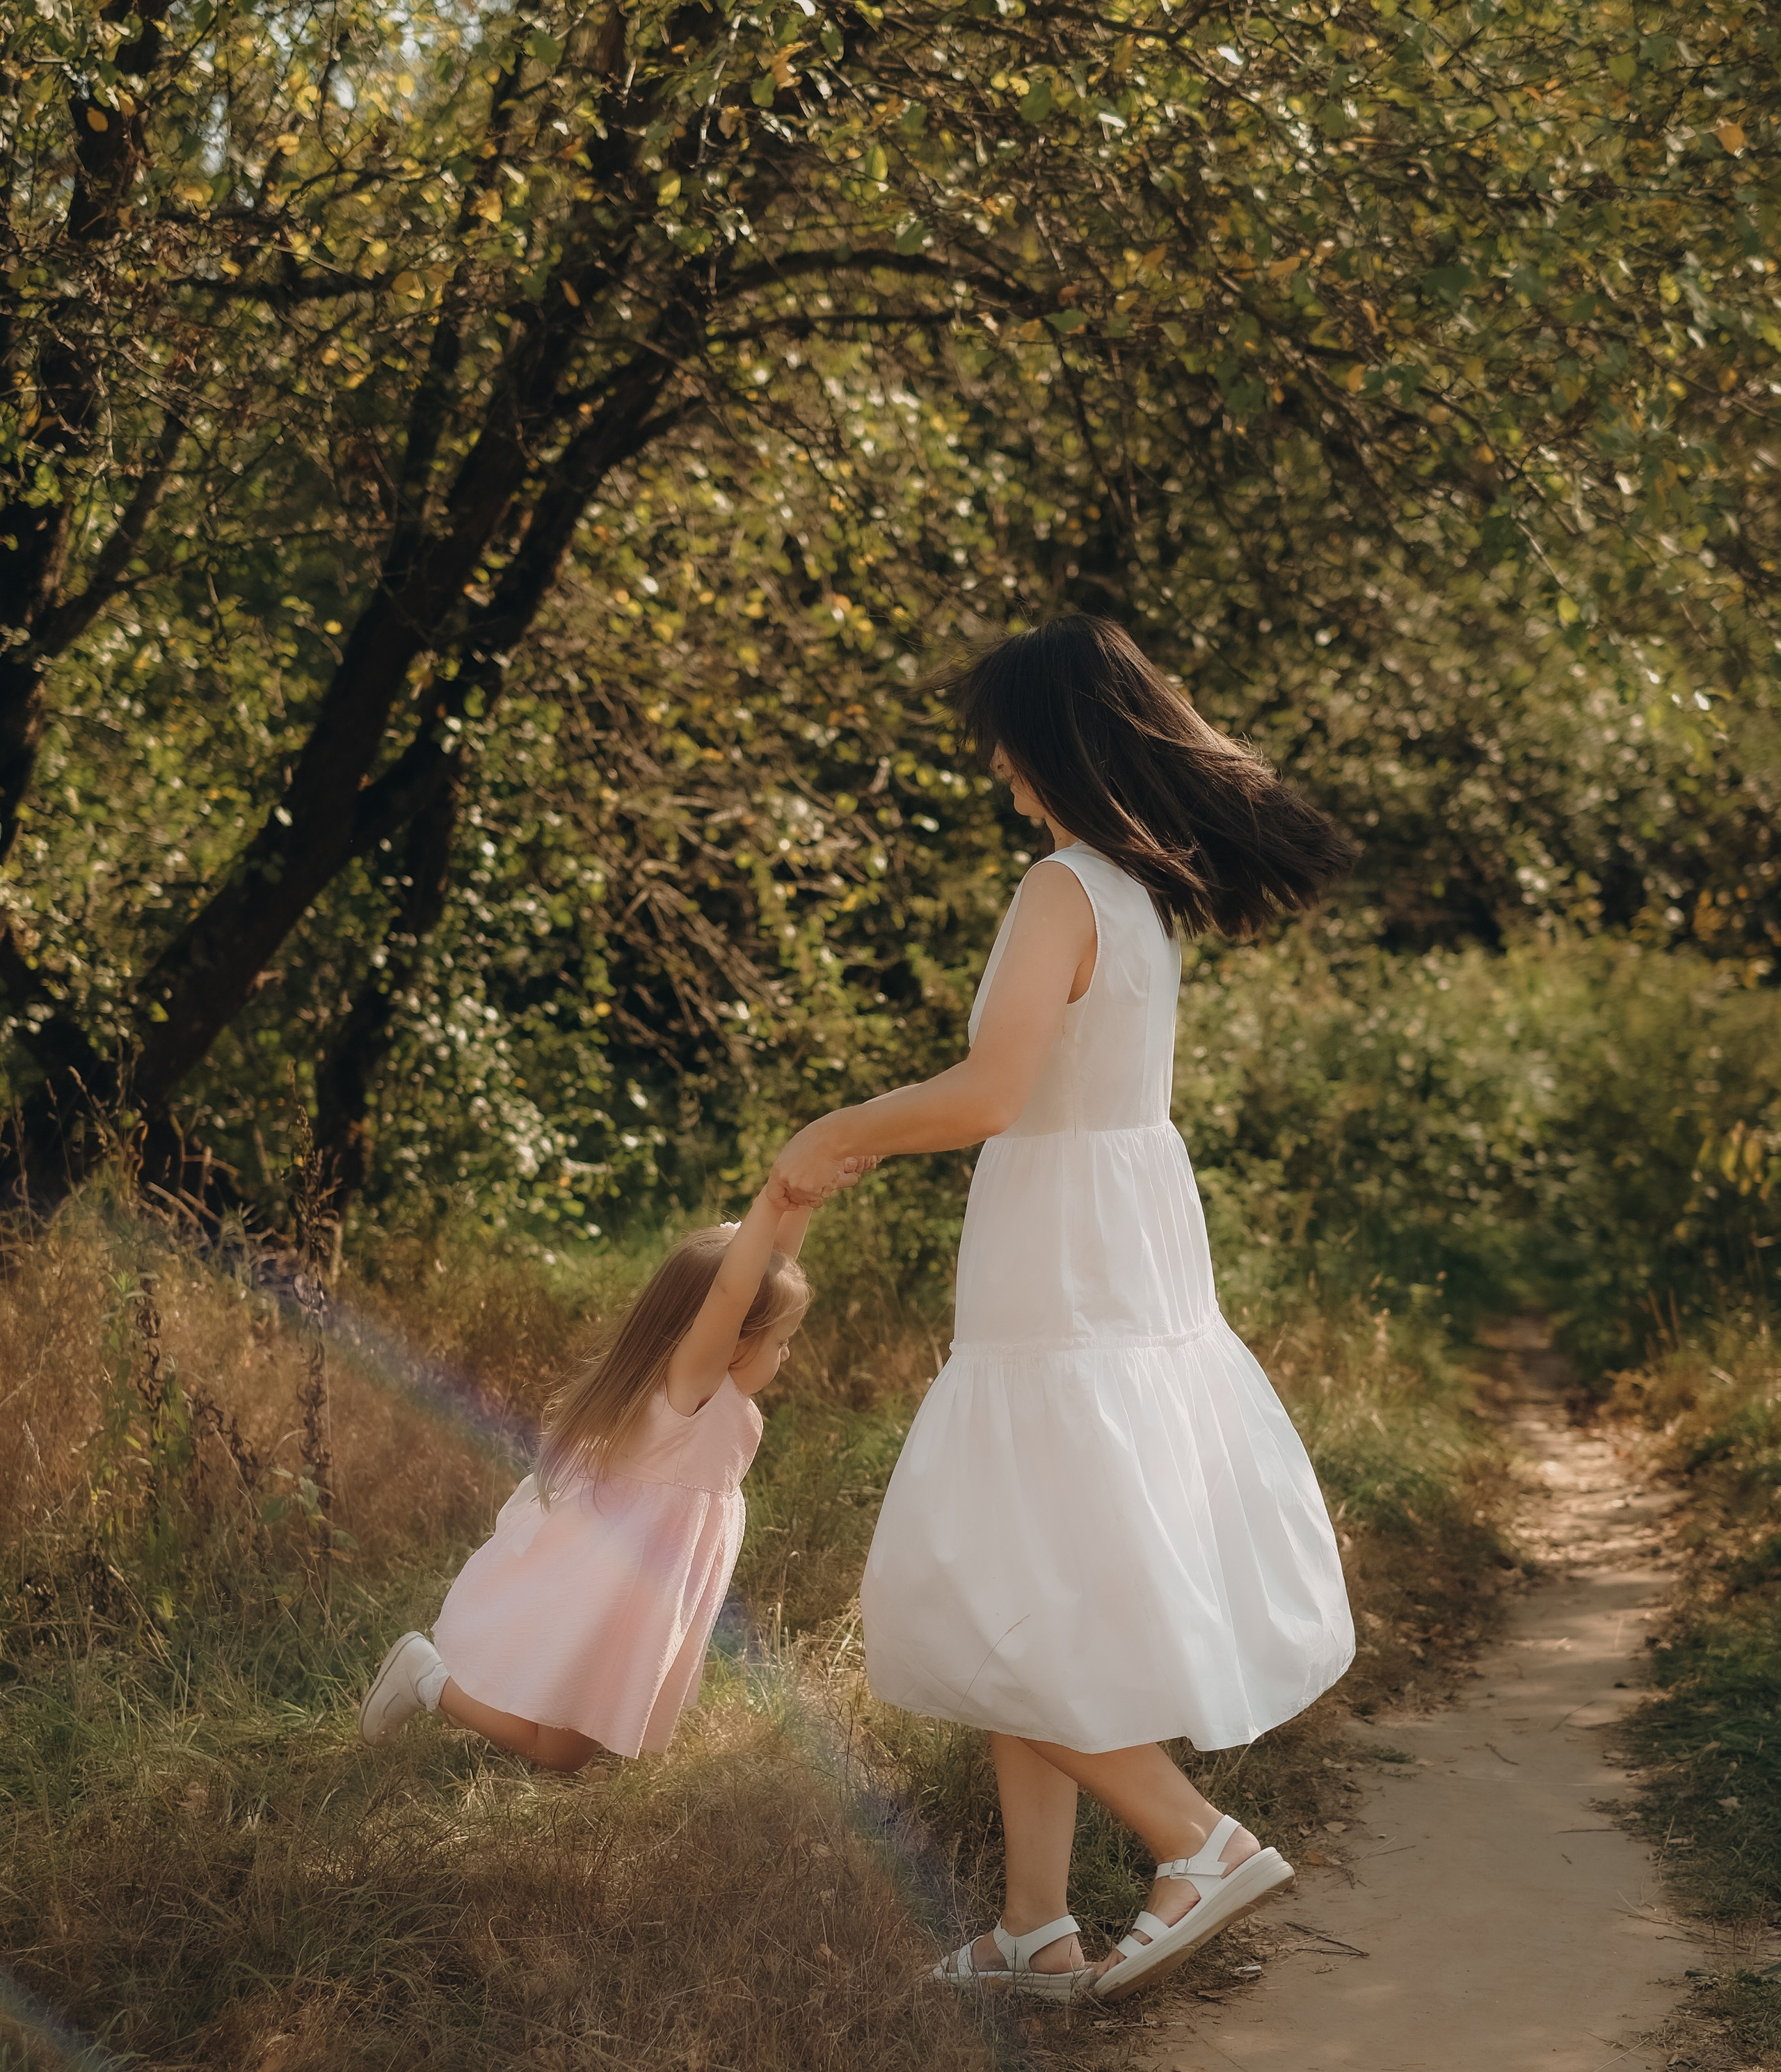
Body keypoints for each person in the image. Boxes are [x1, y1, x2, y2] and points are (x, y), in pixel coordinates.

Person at [771, 614, 1358, 2001]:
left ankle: (1192, 1838)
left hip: (1063, 1258)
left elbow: (991, 1092)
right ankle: (1035, 1929)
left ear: (1048, 739)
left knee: (985, 1585)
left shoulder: (1059, 887)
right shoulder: (1134, 890)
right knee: (1033, 1573)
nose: (991, 764)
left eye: (1000, 738)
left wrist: (837, 1132)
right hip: (1113, 1240)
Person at [357, 1165, 859, 1770]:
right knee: (562, 1753)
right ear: (732, 1339)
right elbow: (736, 1294)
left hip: (640, 1578)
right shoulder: (694, 1385)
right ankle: (425, 1677)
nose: (788, 1351)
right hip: (615, 1578)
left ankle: (460, 1690)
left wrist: (803, 1197)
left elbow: (763, 1280)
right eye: (781, 1340)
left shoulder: (707, 1381)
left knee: (570, 1743)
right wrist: (771, 1200)